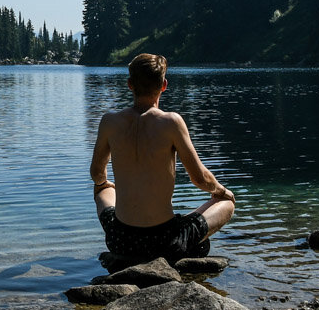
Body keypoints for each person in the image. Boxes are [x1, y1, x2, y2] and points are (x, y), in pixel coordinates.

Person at [90, 53, 235, 264]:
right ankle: (191, 241)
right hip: (164, 242)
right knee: (226, 203)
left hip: (120, 240)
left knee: (102, 188)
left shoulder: (109, 121)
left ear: (130, 84)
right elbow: (200, 179)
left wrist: (104, 183)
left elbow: (96, 174)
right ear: (164, 85)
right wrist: (221, 191)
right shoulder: (171, 122)